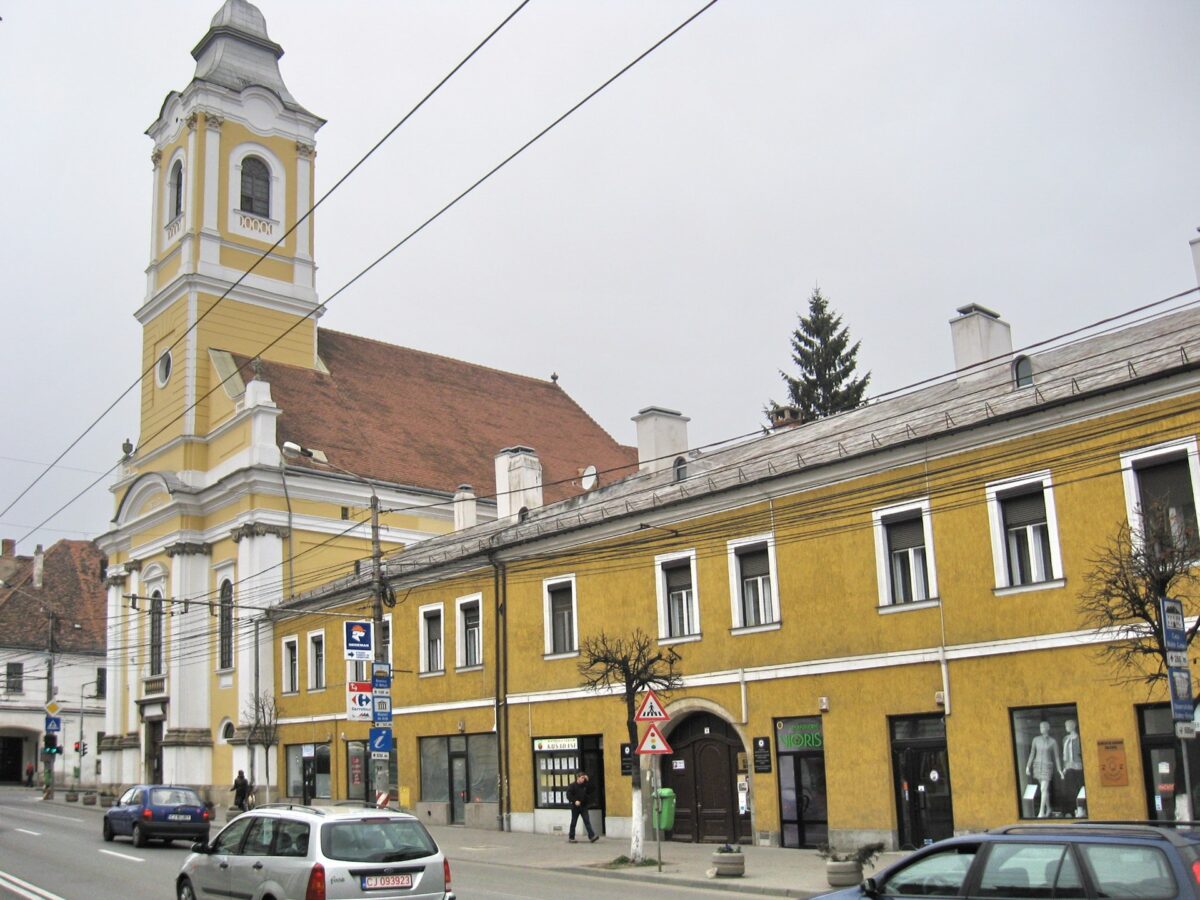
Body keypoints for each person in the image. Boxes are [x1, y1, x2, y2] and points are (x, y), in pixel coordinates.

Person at [1025, 720, 1063, 818]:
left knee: (1043, 788)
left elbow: (1057, 757)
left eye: (1044, 727)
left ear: (1048, 728)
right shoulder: (1035, 739)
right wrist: (1028, 766)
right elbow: (1032, 753)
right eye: (1040, 727)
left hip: (1047, 766)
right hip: (1037, 765)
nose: (1042, 729)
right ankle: (1049, 808)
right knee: (1044, 790)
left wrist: (1059, 770)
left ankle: (1041, 812)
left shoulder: (1052, 741)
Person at [1060, 719, 1085, 817]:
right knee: (1070, 790)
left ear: (1073, 726)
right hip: (1068, 766)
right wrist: (1063, 768)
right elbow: (1063, 755)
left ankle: (1081, 808)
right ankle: (1071, 810)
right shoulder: (1065, 739)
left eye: (1067, 725)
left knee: (1079, 788)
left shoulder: (1079, 738)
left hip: (1078, 766)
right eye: (1065, 725)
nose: (1066, 727)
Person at [566, 771, 598, 843]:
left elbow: (593, 788)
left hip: (584, 806)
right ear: (578, 778)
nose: (583, 779)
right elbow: (568, 795)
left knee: (587, 821)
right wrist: (575, 801)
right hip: (575, 807)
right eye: (582, 778)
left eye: (584, 778)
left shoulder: (585, 785)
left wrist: (588, 780)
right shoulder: (572, 785)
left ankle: (592, 836)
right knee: (574, 822)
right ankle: (571, 837)